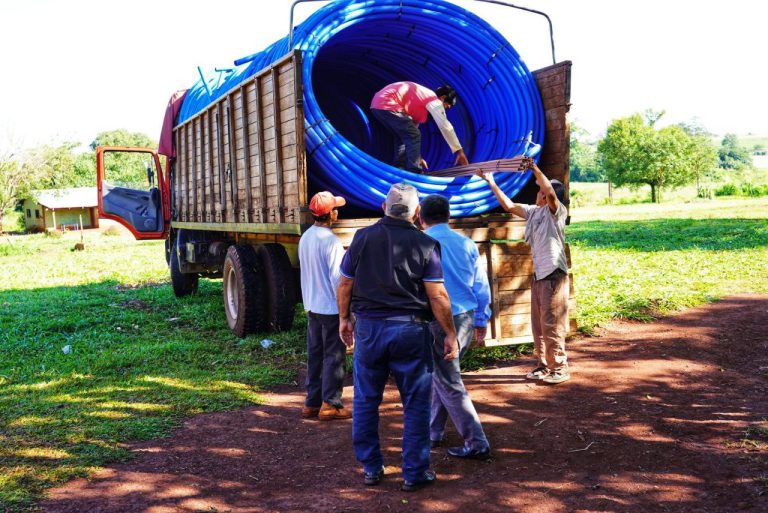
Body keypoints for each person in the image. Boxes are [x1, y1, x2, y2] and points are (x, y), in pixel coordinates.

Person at [336, 183, 459, 492]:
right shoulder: (426, 244)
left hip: (370, 330)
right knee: (416, 403)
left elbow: (345, 285)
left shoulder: (362, 238)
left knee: (366, 399)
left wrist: (343, 319)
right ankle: (414, 472)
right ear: (416, 212)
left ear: (383, 207)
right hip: (411, 331)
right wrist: (449, 333)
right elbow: (438, 296)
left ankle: (371, 468)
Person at [476, 160, 571, 384]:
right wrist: (490, 181)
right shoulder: (534, 212)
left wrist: (535, 168)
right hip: (540, 276)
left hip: (553, 275)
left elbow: (549, 190)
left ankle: (559, 366)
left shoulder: (555, 212)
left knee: (551, 323)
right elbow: (508, 205)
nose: (538, 194)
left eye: (541, 192)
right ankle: (543, 365)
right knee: (538, 324)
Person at [418, 194, 492, 459]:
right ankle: (433, 432)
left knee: (449, 381)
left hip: (439, 320)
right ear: (449, 216)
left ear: (420, 217)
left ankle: (477, 442)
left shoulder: (421, 244)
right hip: (466, 317)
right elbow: (481, 286)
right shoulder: (467, 244)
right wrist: (483, 319)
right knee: (442, 375)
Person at [298, 191, 352, 420]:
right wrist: (345, 314)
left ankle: (312, 402)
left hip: (312, 305)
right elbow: (338, 281)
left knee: (316, 354)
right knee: (334, 356)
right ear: (331, 214)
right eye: (335, 208)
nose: (337, 211)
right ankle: (331, 403)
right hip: (330, 307)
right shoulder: (330, 241)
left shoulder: (306, 237)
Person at [370, 81, 469, 173]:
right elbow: (445, 126)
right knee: (414, 135)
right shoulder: (433, 99)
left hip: (378, 105)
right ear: (442, 98)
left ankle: (399, 169)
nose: (446, 109)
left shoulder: (419, 105)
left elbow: (410, 138)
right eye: (447, 105)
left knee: (403, 137)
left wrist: (418, 157)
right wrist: (459, 152)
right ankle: (415, 172)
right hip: (388, 104)